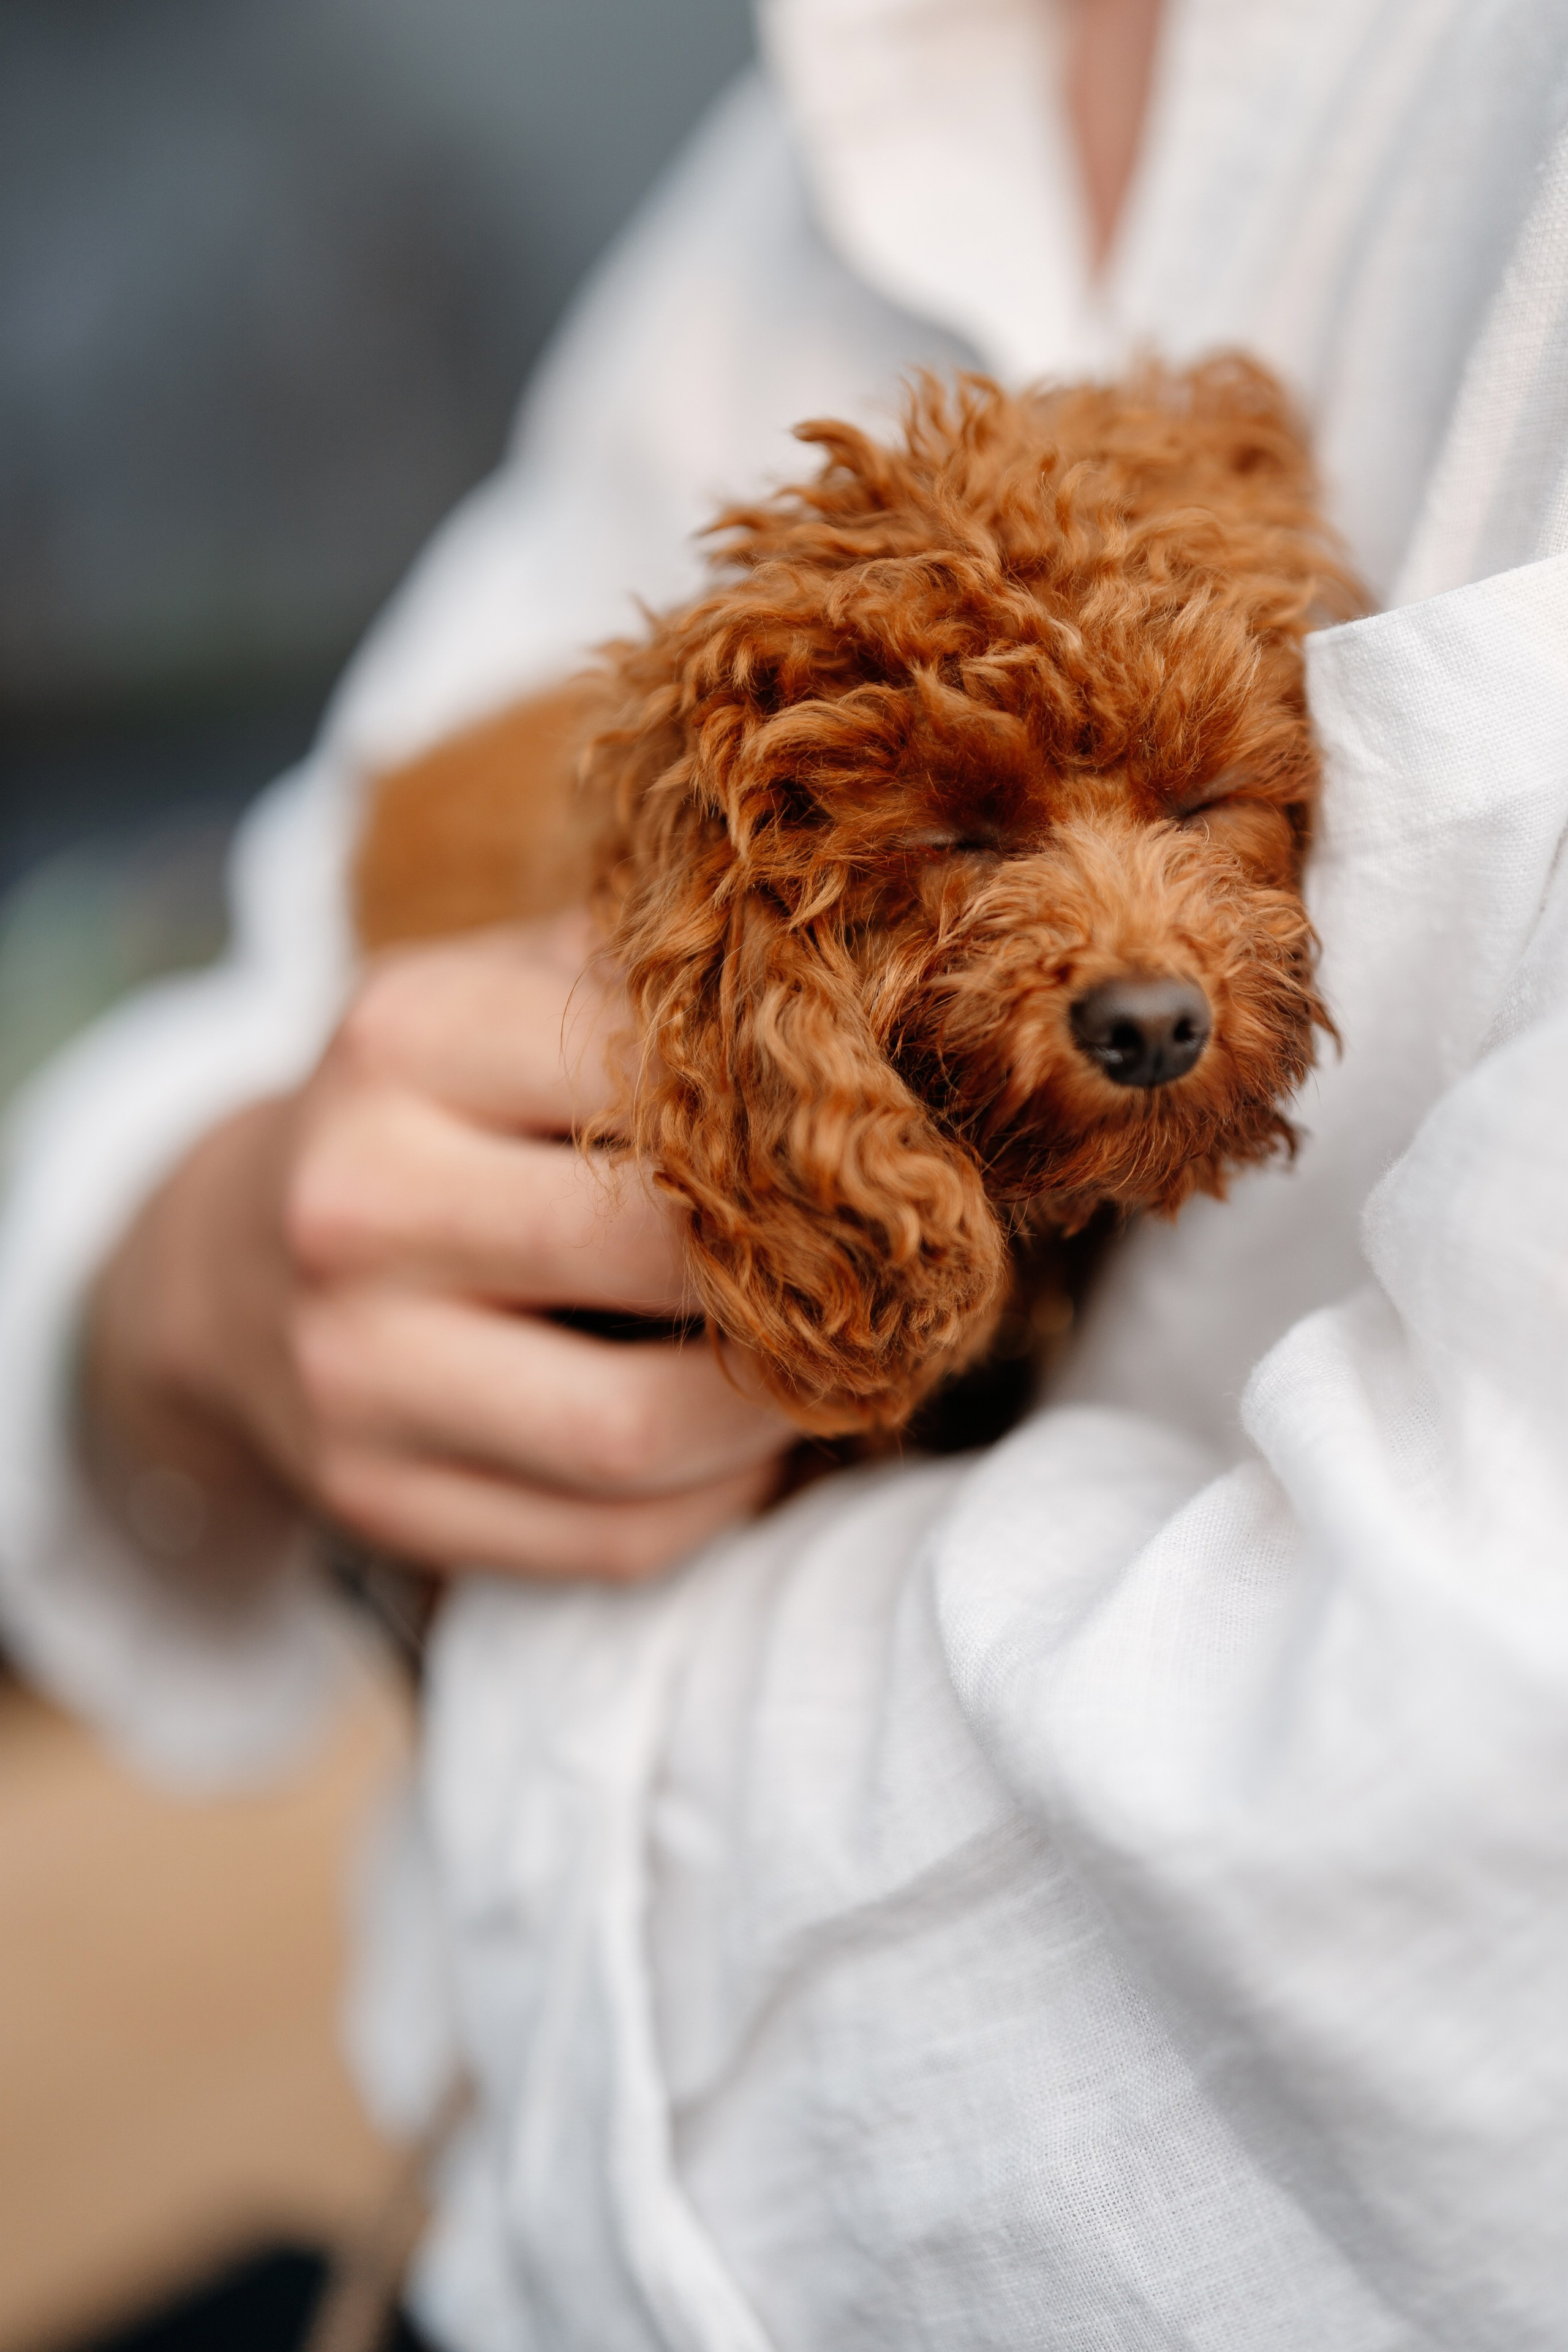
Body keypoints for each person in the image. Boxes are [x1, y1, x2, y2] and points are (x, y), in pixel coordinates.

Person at [4, 0, 1568, 2342]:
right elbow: (265, 976)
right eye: (975, 840)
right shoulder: (788, 162)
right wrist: (186, 1269)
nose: (1143, 961)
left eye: (1209, 809)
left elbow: (1452, 1866)